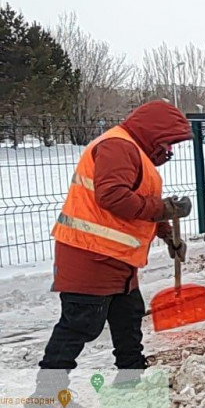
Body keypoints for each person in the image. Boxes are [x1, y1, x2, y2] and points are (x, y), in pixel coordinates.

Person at [39, 100, 194, 382]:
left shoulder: (134, 152)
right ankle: (48, 393)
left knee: (128, 317)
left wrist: (166, 232)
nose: (170, 150)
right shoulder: (118, 147)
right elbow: (113, 197)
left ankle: (131, 375)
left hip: (117, 258)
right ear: (153, 133)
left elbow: (138, 202)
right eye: (168, 143)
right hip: (90, 256)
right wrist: (164, 209)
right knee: (81, 323)